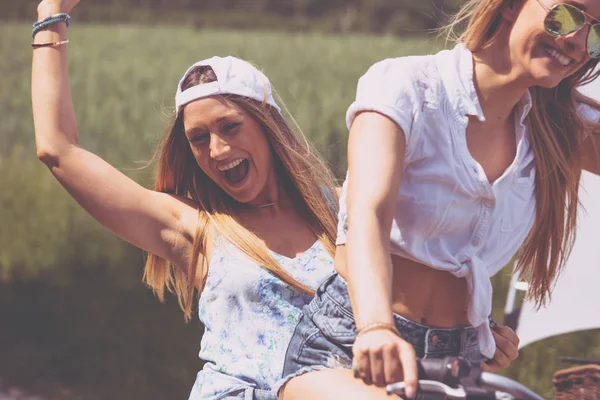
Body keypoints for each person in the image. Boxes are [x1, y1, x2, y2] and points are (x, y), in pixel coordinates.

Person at [280, 0, 600, 399]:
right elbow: (368, 214)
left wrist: (479, 325)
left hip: (459, 360)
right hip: (351, 346)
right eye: (567, 15)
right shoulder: (407, 86)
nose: (578, 41)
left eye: (596, 32)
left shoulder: (555, 127)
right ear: (511, 6)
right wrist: (376, 326)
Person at [31, 1, 339, 399]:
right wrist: (51, 12)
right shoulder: (197, 228)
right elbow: (58, 150)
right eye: (198, 138)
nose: (217, 150)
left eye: (230, 126)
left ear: (268, 125)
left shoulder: (340, 212)